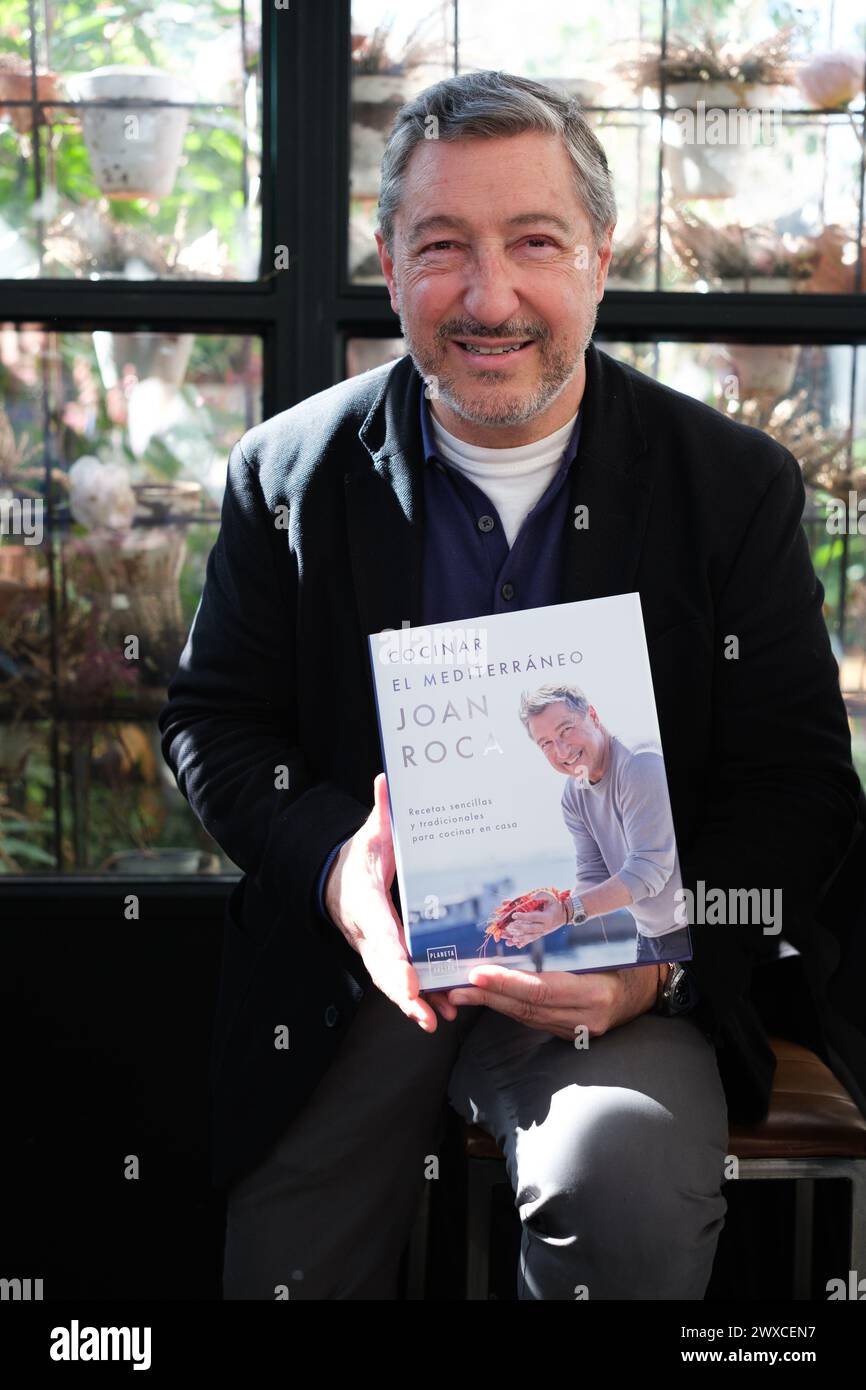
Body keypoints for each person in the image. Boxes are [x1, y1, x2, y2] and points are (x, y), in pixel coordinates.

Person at [158, 70, 866, 1300]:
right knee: (281, 1270)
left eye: (533, 241)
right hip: (357, 974)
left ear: (598, 255)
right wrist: (341, 872)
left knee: (627, 1182)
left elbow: (796, 779)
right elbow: (214, 725)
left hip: (621, 975)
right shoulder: (284, 475)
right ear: (388, 263)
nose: (490, 298)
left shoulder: (729, 486)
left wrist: (659, 959)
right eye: (443, 246)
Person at [505, 684, 692, 967]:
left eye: (566, 729)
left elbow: (649, 869)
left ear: (592, 715)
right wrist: (553, 905)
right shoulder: (573, 794)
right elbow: (593, 873)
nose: (562, 749)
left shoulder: (639, 763)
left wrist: (568, 912)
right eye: (545, 743)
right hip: (652, 937)